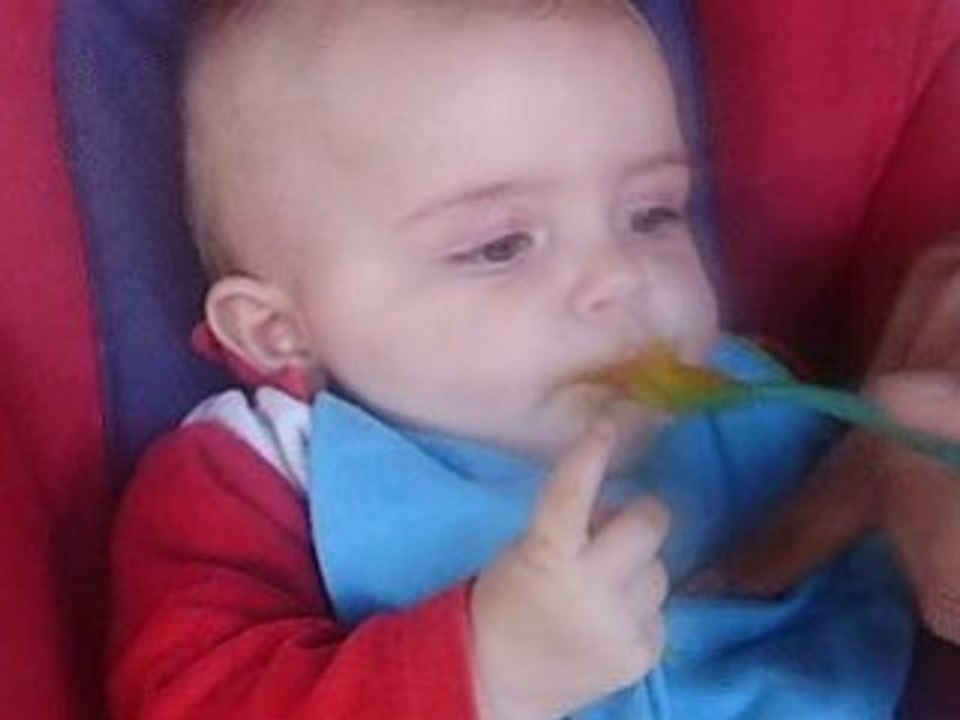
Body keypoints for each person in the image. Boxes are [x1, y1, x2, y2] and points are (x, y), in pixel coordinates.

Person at [109, 2, 917, 718]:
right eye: (501, 246)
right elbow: (192, 700)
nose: (619, 278)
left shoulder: (761, 405)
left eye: (652, 214)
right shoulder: (259, 480)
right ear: (279, 331)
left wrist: (906, 470)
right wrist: (486, 672)